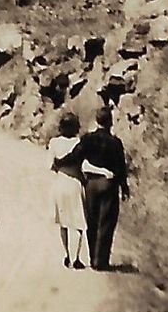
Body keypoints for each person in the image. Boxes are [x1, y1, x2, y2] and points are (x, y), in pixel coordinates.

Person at [73, 107, 130, 270]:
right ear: (110, 122)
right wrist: (124, 187)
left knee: (92, 221)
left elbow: (76, 157)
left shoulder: (88, 139)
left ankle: (93, 259)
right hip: (109, 185)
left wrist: (79, 175)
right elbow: (121, 167)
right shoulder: (116, 142)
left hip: (91, 184)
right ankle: (101, 261)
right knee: (106, 223)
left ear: (97, 121)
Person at [46, 114, 88, 269]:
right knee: (78, 222)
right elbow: (84, 166)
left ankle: (67, 255)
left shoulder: (54, 142)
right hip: (75, 183)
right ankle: (77, 257)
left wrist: (60, 168)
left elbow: (50, 165)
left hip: (60, 182)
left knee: (63, 223)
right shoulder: (79, 142)